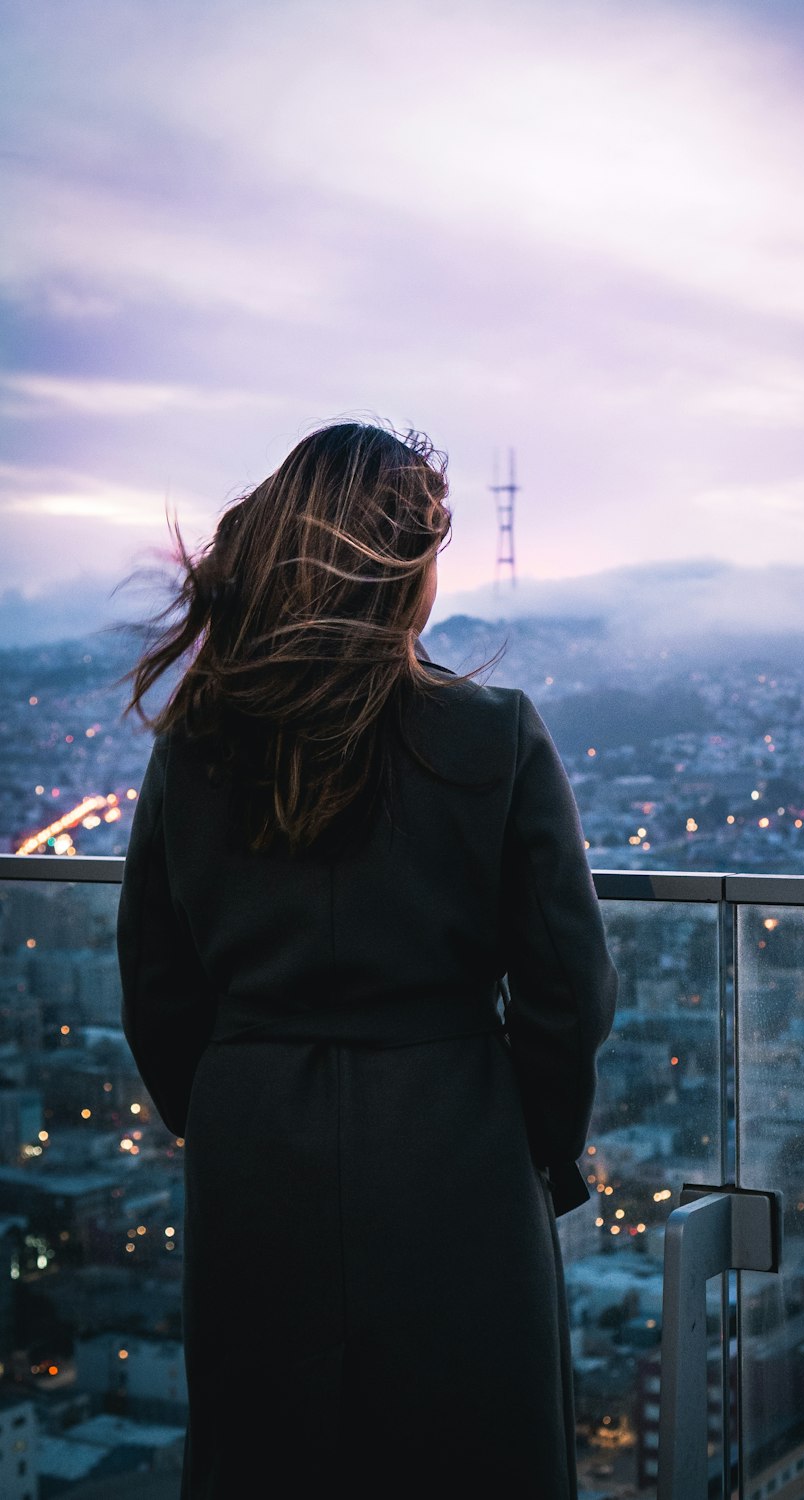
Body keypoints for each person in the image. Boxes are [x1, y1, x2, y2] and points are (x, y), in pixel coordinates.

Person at [115, 418, 618, 1499]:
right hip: (458, 1147)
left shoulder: (198, 742)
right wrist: (536, 1141)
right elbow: (568, 989)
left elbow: (156, 982)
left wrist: (222, 1105)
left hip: (255, 1152)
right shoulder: (492, 736)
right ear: (406, 569)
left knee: (267, 1454)